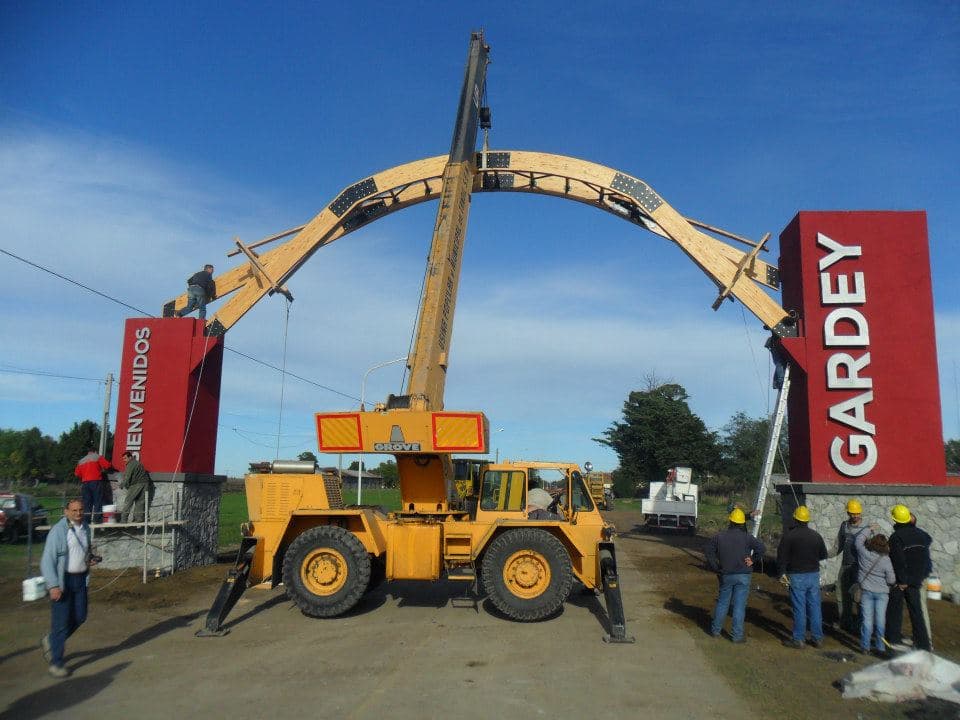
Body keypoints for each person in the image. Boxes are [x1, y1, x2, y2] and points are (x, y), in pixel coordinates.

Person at [40, 498, 100, 678]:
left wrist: (90, 559)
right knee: (60, 622)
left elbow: (84, 552)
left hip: (81, 579)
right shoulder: (58, 531)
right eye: (74, 510)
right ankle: (56, 663)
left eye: (81, 510)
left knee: (80, 616)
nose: (78, 513)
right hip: (63, 581)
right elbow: (47, 560)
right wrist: (53, 585)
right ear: (66, 512)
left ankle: (51, 641)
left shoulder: (86, 529)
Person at [704, 508, 766, 643]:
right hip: (744, 574)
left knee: (723, 602)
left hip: (726, 574)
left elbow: (708, 551)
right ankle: (737, 636)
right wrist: (752, 559)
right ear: (743, 523)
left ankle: (715, 631)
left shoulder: (719, 537)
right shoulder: (747, 538)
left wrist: (715, 567)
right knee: (739, 606)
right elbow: (761, 549)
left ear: (730, 522)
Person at [777, 505, 828, 649]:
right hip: (813, 575)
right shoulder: (816, 536)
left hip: (796, 575)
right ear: (807, 520)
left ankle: (799, 639)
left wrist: (781, 573)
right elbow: (823, 555)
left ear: (795, 519)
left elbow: (781, 558)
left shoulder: (789, 536)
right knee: (815, 607)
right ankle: (817, 638)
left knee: (799, 608)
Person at [885, 504, 933, 651]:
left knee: (895, 609)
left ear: (896, 520)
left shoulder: (896, 537)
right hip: (917, 579)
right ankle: (923, 643)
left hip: (902, 581)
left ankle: (893, 638)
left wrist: (902, 581)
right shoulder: (922, 535)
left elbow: (898, 561)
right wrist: (919, 577)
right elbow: (925, 557)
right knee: (916, 611)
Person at [854, 529, 896, 656]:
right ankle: (880, 646)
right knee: (880, 620)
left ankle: (865, 647)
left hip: (866, 591)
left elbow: (858, 541)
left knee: (866, 620)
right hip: (882, 594)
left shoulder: (864, 554)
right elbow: (891, 579)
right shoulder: (886, 560)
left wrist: (868, 529)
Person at [835, 498, 870, 633]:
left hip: (859, 568)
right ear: (848, 513)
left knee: (859, 596)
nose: (855, 516)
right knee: (841, 594)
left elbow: (871, 550)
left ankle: (861, 624)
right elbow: (838, 546)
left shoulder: (867, 529)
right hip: (845, 566)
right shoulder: (844, 525)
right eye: (852, 513)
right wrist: (823, 555)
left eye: (857, 513)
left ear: (860, 513)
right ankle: (845, 621)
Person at [74, 447, 111, 524]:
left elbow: (77, 474)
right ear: (95, 451)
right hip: (96, 482)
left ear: (88, 452)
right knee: (98, 501)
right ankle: (97, 521)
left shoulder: (81, 461)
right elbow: (107, 465)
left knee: (87, 503)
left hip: (85, 484)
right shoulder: (97, 457)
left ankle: (86, 521)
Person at [120, 450, 153, 522]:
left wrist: (122, 485)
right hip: (145, 483)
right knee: (140, 502)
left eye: (125, 458)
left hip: (137, 484)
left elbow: (127, 476)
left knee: (128, 501)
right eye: (123, 459)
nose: (124, 460)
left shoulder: (131, 464)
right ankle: (139, 519)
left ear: (130, 457)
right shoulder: (138, 463)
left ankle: (123, 520)